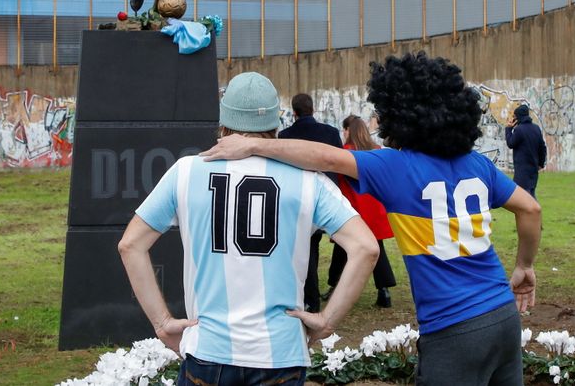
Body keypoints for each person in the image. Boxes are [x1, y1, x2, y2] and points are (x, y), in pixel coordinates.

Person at [202, 52, 542, 385]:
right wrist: (524, 266)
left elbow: (324, 157)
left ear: (401, 114)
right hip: (503, 317)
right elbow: (530, 209)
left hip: (452, 330)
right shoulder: (478, 164)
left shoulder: (395, 166)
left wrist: (253, 146)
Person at [118, 72, 378, 385]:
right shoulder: (310, 181)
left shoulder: (186, 172)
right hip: (280, 353)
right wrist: (326, 321)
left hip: (209, 349)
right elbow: (366, 248)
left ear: (223, 120)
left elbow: (130, 244)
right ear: (276, 121)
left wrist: (162, 323)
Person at [323, 115, 396, 309]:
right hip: (374, 208)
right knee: (377, 249)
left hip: (353, 209)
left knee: (342, 248)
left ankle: (334, 286)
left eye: (344, 129)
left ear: (348, 131)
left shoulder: (345, 153)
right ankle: (384, 291)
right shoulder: (377, 151)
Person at [279, 93, 343, 313]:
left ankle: (310, 300)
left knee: (307, 249)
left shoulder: (285, 136)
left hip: (297, 198)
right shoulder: (331, 133)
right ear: (312, 109)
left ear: (294, 112)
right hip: (328, 198)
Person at [506, 104, 548, 199]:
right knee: (530, 192)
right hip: (533, 169)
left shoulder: (519, 130)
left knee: (524, 198)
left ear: (518, 117)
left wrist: (508, 129)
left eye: (514, 117)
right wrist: (541, 163)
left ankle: (533, 212)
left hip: (522, 171)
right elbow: (542, 147)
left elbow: (510, 143)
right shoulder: (536, 128)